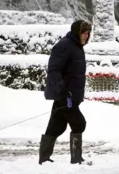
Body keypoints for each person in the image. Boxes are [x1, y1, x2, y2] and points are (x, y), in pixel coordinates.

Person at [39, 19, 92, 165]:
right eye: (84, 32)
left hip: (70, 96)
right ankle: (76, 159)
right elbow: (54, 69)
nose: (86, 36)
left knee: (56, 126)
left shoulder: (77, 47)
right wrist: (62, 88)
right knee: (79, 123)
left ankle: (43, 159)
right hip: (65, 95)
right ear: (77, 32)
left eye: (88, 33)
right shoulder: (64, 45)